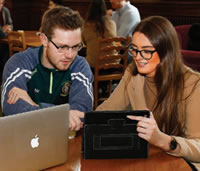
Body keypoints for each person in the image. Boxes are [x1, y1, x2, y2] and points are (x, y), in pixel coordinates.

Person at [96, 16, 200, 170]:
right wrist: (85, 119)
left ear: (166, 52)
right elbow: (106, 111)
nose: (138, 57)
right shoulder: (132, 73)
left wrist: (164, 141)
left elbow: (198, 146)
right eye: (135, 49)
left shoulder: (193, 83)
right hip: (150, 159)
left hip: (182, 164)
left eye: (146, 51)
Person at [1, 6, 93, 131]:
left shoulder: (80, 66)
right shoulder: (19, 63)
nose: (70, 55)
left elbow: (82, 115)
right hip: (24, 140)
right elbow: (13, 112)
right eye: (62, 47)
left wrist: (34, 104)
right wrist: (64, 115)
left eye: (76, 46)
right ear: (44, 39)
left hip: (63, 142)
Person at [82, 0, 116, 68]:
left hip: (94, 65)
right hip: (113, 63)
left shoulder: (86, 26)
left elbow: (84, 42)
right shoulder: (111, 23)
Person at [0, 0, 13, 72]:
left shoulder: (5, 10)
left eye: (1, 3)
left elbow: (10, 25)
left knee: (8, 48)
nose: (0, 6)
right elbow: (1, 34)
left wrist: (7, 29)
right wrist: (3, 31)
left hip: (4, 42)